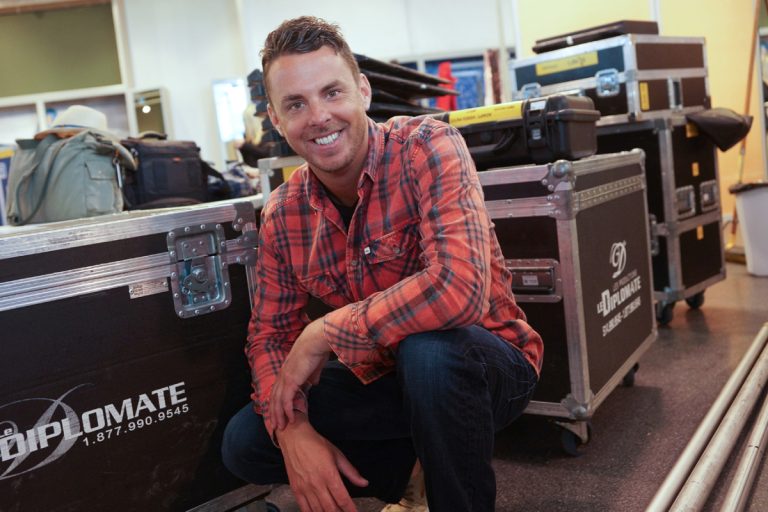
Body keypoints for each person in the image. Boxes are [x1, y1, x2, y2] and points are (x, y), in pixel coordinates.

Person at [222, 16, 543, 512]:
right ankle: (413, 478)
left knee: (429, 352)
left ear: (364, 91)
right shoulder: (281, 215)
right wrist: (294, 433)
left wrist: (323, 332)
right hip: (380, 376)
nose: (319, 116)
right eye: (296, 104)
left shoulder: (428, 146)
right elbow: (267, 337)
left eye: (332, 92)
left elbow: (459, 290)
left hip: (483, 364)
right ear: (277, 121)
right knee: (247, 440)